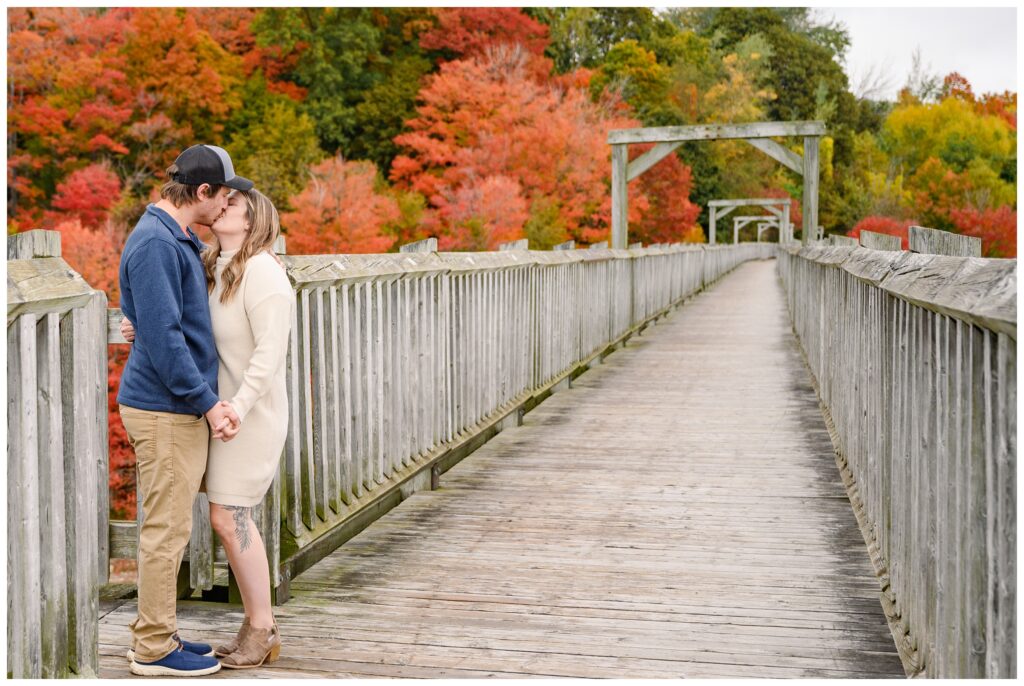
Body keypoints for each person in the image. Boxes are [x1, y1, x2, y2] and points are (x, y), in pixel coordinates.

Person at [122, 187, 293, 670]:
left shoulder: (263, 272)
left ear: (253, 221)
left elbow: (268, 357)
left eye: (233, 205)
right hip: (218, 413)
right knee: (220, 516)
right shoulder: (211, 263)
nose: (221, 207)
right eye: (220, 201)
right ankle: (253, 624)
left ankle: (262, 626)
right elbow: (176, 319)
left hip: (248, 414)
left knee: (228, 516)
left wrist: (236, 407)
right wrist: (138, 324)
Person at [117, 144, 251, 677]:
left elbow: (148, 316)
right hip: (165, 407)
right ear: (201, 193)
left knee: (171, 527)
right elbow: (166, 338)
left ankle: (160, 630)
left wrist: (138, 326)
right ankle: (152, 648)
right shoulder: (156, 242)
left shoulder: (174, 238)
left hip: (174, 404)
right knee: (166, 531)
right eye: (222, 195)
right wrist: (210, 404)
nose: (226, 204)